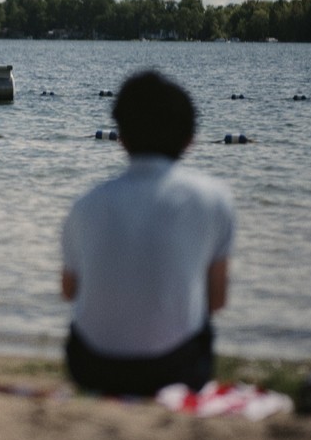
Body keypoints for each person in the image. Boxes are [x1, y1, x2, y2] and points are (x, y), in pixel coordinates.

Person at [59, 70, 234, 396]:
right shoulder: (215, 199)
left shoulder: (85, 205)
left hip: (92, 368)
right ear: (190, 139)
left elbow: (70, 291)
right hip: (176, 370)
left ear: (121, 137)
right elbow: (218, 300)